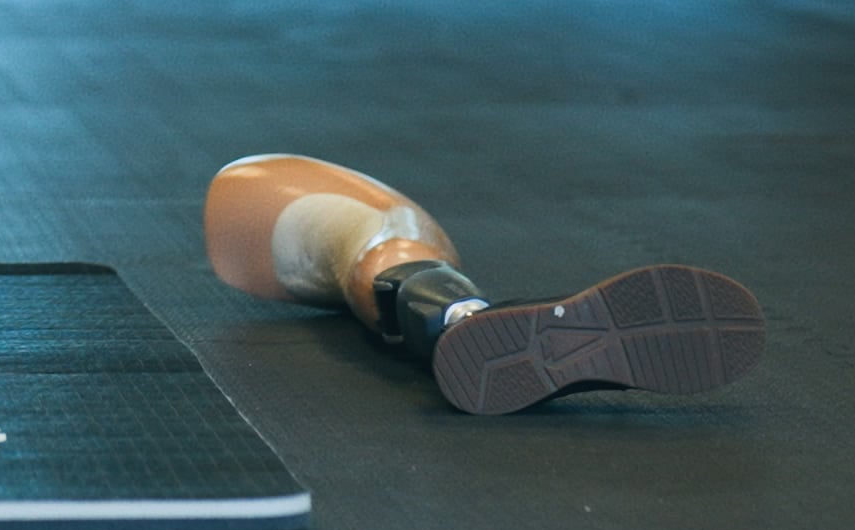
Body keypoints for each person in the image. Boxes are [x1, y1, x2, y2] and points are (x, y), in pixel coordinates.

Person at [204, 154, 766, 414]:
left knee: (386, 247)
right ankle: (458, 314)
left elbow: (250, 190)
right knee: (394, 245)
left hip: (318, 230)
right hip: (370, 251)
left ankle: (456, 319)